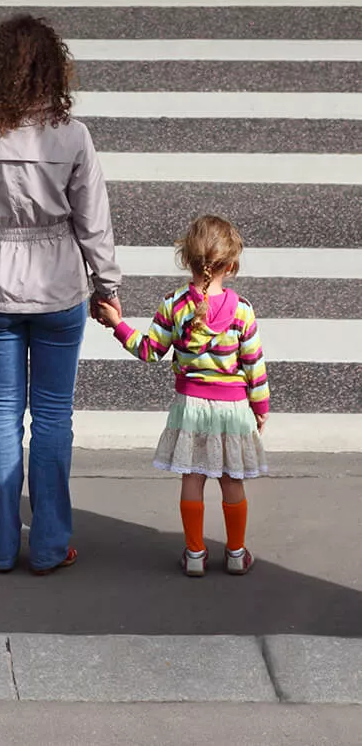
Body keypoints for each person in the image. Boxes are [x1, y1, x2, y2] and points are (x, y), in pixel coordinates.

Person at [0, 14, 122, 575]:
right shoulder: (72, 136)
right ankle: (49, 543)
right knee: (51, 416)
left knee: (0, 414)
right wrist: (107, 286)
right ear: (53, 69)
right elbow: (94, 222)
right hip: (59, 286)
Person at [95, 215, 269, 577]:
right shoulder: (242, 310)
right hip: (233, 406)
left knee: (193, 476)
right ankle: (236, 553)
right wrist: (261, 408)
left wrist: (117, 325)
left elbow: (149, 350)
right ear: (231, 265)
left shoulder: (174, 304)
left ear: (185, 259)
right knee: (230, 480)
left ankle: (194, 553)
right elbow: (254, 365)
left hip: (190, 405)